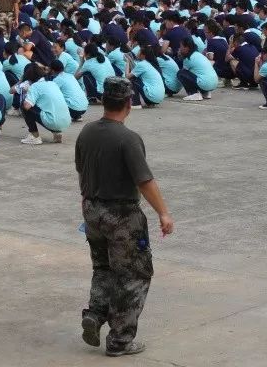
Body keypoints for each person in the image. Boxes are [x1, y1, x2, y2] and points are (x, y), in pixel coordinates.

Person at [75, 77, 174, 358]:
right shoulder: (128, 139)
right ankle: (120, 340)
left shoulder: (87, 132)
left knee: (103, 268)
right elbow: (144, 181)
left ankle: (95, 313)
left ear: (104, 101)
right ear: (128, 103)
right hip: (121, 215)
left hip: (92, 210)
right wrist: (163, 213)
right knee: (134, 274)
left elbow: (81, 171)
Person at [20, 64, 72, 145]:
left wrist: (27, 92)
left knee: (23, 105)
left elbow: (27, 106)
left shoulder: (35, 86)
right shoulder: (52, 83)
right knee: (48, 109)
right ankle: (57, 132)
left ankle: (35, 137)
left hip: (53, 121)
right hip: (66, 121)